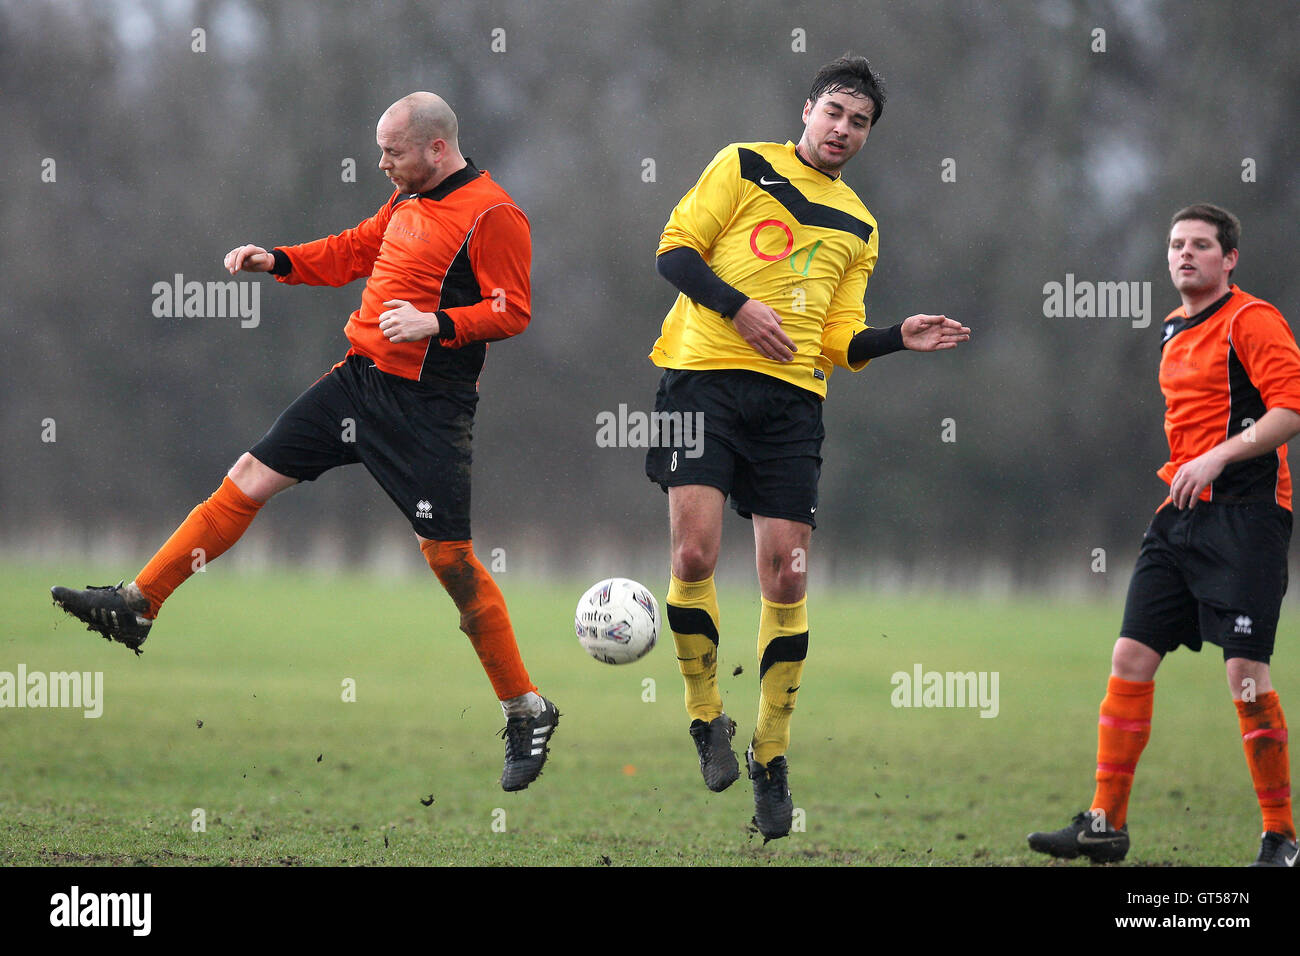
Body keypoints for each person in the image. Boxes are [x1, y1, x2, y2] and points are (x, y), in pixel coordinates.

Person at [51, 92, 559, 793]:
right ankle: (139, 604)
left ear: (437, 149)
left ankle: (526, 709)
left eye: (394, 151)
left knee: (451, 563)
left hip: (429, 411)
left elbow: (513, 309)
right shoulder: (405, 201)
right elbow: (355, 249)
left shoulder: (495, 214)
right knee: (251, 474)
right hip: (358, 383)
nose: (382, 163)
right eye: (381, 150)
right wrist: (279, 261)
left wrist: (438, 326)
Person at [644, 55, 970, 841]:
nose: (843, 130)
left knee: (786, 575)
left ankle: (773, 755)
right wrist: (739, 307)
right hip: (701, 380)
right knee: (694, 557)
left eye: (859, 122)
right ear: (807, 109)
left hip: (793, 404)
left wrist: (897, 337)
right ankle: (704, 720)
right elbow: (675, 253)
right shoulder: (743, 163)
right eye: (834, 112)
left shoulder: (860, 222)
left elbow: (834, 339)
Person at [1029, 204, 1300, 866]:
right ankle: (1106, 823)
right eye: (1177, 244)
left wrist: (1220, 455)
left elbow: (1291, 409)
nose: (1185, 254)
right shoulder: (1173, 328)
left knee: (1243, 674)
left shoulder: (1252, 320)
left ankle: (1280, 836)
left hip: (1249, 515)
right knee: (1129, 658)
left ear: (1229, 258)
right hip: (1180, 521)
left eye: (1201, 245)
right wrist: (1192, 469)